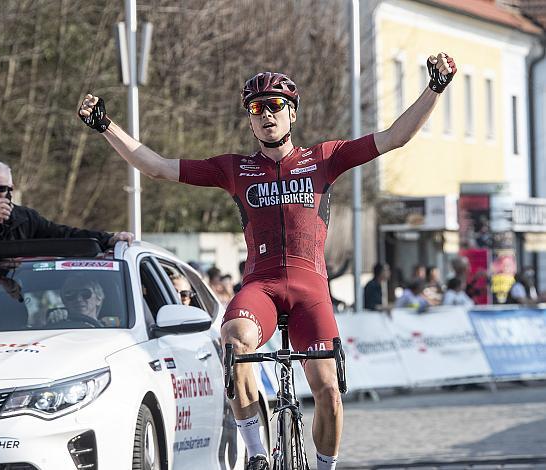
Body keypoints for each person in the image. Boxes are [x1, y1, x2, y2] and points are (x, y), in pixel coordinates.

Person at [78, 52, 457, 470]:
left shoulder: (324, 158)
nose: (266, 115)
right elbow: (157, 168)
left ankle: (326, 466)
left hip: (310, 289)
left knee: (328, 390)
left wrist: (435, 87)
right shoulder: (234, 168)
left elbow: (394, 136)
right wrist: (105, 126)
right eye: (257, 109)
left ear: (291, 114)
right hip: (261, 286)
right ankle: (257, 454)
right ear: (250, 120)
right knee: (234, 344)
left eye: (275, 106)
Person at [0, 160, 133, 250]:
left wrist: (109, 238)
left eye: (0, 188)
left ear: (10, 189)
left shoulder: (25, 218)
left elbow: (62, 234)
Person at [49, 273, 116, 326]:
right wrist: (55, 319)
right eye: (71, 295)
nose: (78, 299)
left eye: (85, 293)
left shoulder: (109, 323)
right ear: (64, 301)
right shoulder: (59, 323)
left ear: (98, 299)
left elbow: (122, 323)